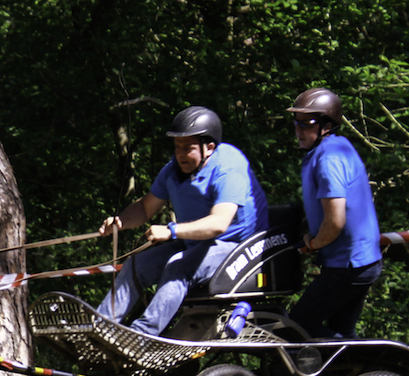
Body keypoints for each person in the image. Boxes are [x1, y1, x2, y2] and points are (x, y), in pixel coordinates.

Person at [95, 106, 268, 336]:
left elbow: (219, 223)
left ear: (209, 148)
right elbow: (146, 207)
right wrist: (120, 222)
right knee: (136, 265)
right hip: (195, 241)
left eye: (188, 148)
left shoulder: (229, 167)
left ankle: (142, 337)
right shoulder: (174, 170)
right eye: (177, 147)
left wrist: (172, 231)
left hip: (238, 247)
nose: (180, 154)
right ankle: (100, 329)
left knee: (179, 265)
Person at [285, 88, 382, 339]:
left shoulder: (329, 158)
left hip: (349, 265)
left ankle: (377, 366)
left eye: (307, 124)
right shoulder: (336, 148)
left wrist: (313, 244)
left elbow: (336, 221)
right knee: (339, 333)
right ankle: (364, 374)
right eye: (296, 123)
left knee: (295, 329)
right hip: (358, 262)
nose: (299, 129)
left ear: (327, 126)